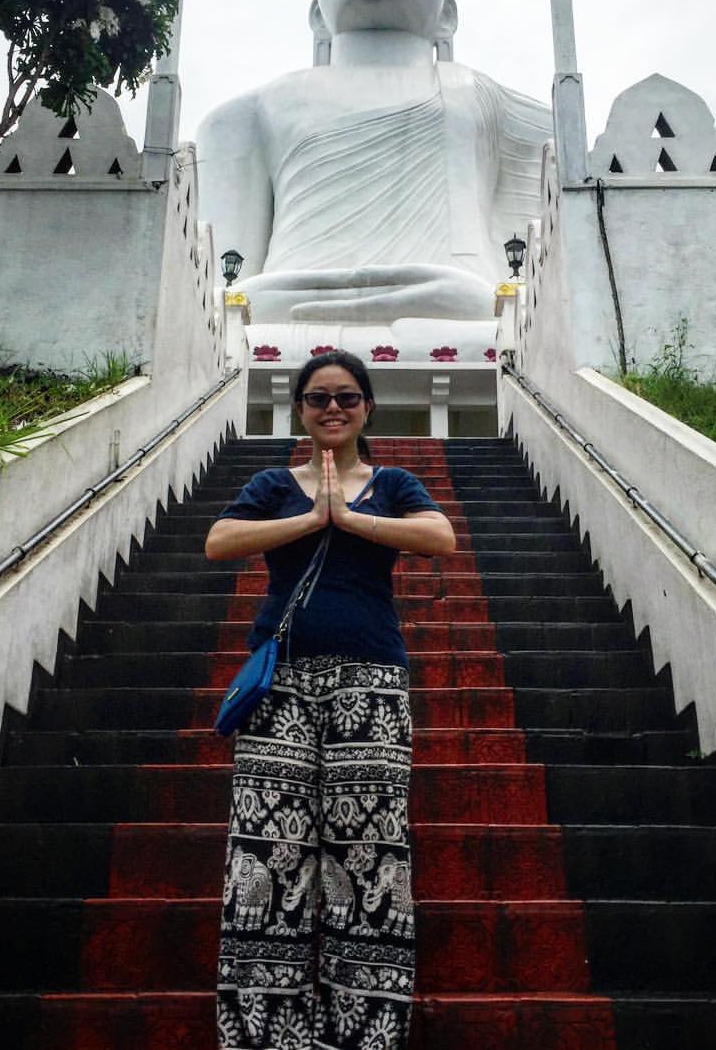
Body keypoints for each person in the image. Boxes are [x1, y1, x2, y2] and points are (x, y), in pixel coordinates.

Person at [206, 350, 456, 1049]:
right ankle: (264, 1031)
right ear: (301, 410)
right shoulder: (271, 483)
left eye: (347, 397)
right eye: (318, 399)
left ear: (367, 407)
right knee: (269, 851)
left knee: (368, 854)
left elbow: (440, 536)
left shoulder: (395, 482)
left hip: (370, 684)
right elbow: (218, 541)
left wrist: (351, 517)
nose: (333, 409)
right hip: (279, 684)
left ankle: (362, 1032)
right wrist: (312, 517)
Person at [196, 0, 551, 331]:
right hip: (283, 310)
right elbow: (220, 293)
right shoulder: (245, 114)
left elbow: (533, 283)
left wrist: (484, 300)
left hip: (458, 309)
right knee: (243, 308)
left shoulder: (500, 107)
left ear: (447, 15)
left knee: (479, 301)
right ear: (316, 17)